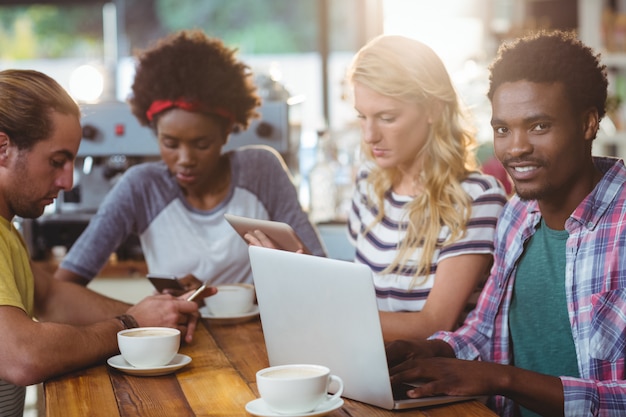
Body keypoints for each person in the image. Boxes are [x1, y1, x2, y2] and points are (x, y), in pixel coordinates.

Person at [387, 30, 626, 417]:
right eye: (503, 129)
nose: (515, 148)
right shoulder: (518, 215)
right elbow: (484, 331)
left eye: (538, 126)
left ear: (588, 123)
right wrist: (433, 350)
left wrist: (503, 379)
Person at [0, 69, 210, 417]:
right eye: (56, 162)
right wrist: (128, 326)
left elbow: (52, 298)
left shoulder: (7, 230)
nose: (67, 181)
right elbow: (23, 356)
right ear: (3, 148)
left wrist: (154, 313)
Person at [54, 30, 325, 289]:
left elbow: (319, 268)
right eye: (170, 143)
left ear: (226, 134)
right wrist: (134, 314)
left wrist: (282, 270)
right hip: (181, 335)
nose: (185, 159)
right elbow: (65, 285)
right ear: (155, 132)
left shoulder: (261, 171)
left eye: (202, 144)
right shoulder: (141, 187)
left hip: (258, 332)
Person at [345, 35, 508, 342]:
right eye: (362, 117)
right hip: (367, 362)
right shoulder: (369, 185)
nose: (369, 135)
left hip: (433, 382)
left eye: (386, 117)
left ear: (433, 109)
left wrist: (333, 315)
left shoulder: (477, 198)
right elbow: (358, 298)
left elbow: (434, 324)